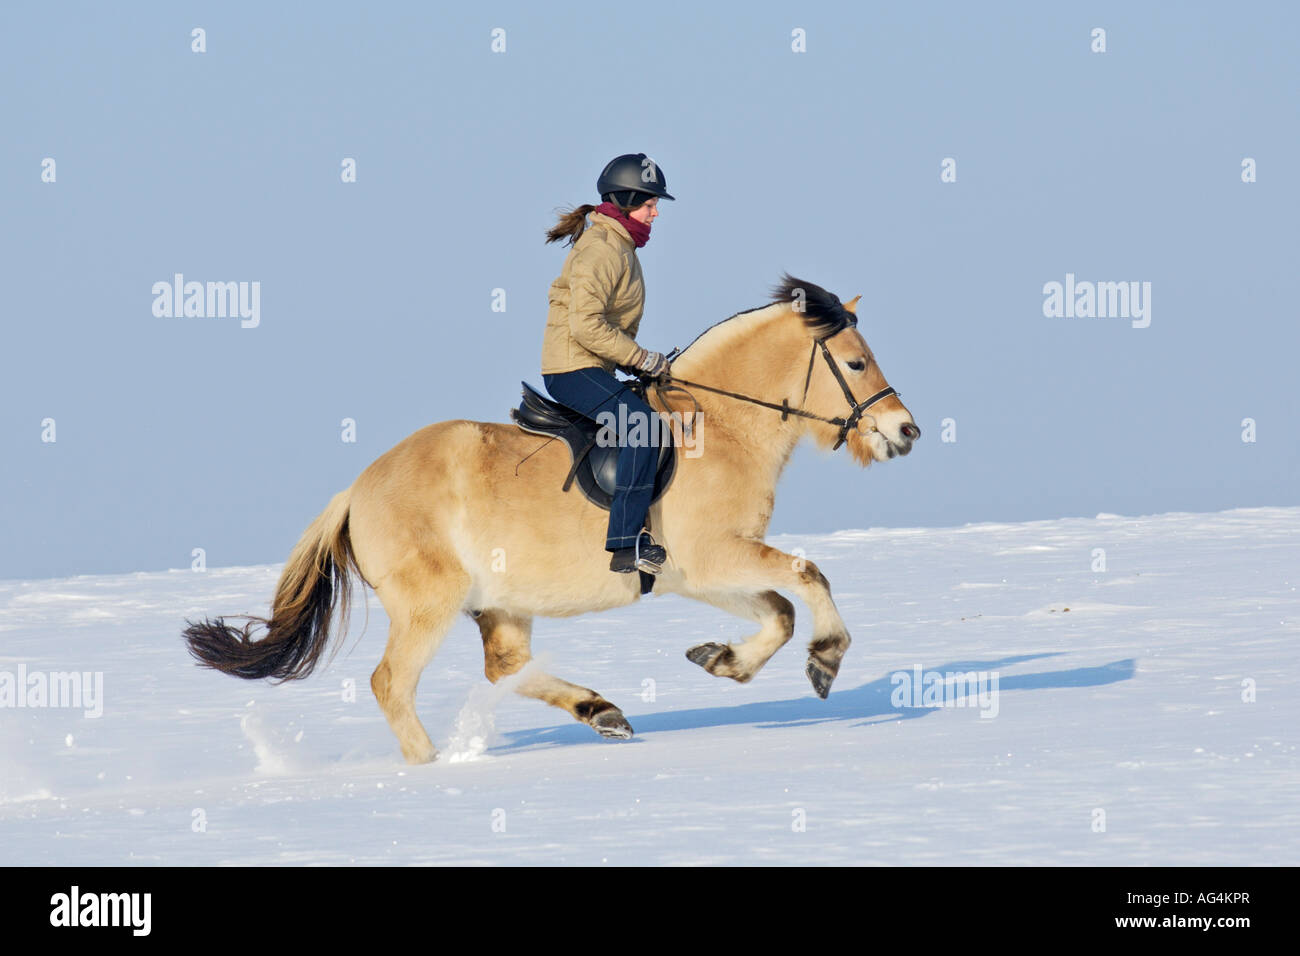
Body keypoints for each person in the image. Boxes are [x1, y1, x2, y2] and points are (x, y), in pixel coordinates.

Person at [541, 152, 675, 575]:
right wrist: (641, 357)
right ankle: (625, 543)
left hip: (594, 365)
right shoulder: (603, 248)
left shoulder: (621, 245)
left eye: (655, 204)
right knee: (643, 428)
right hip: (572, 369)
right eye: (649, 202)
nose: (655, 212)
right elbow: (584, 326)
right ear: (624, 199)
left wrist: (640, 366)